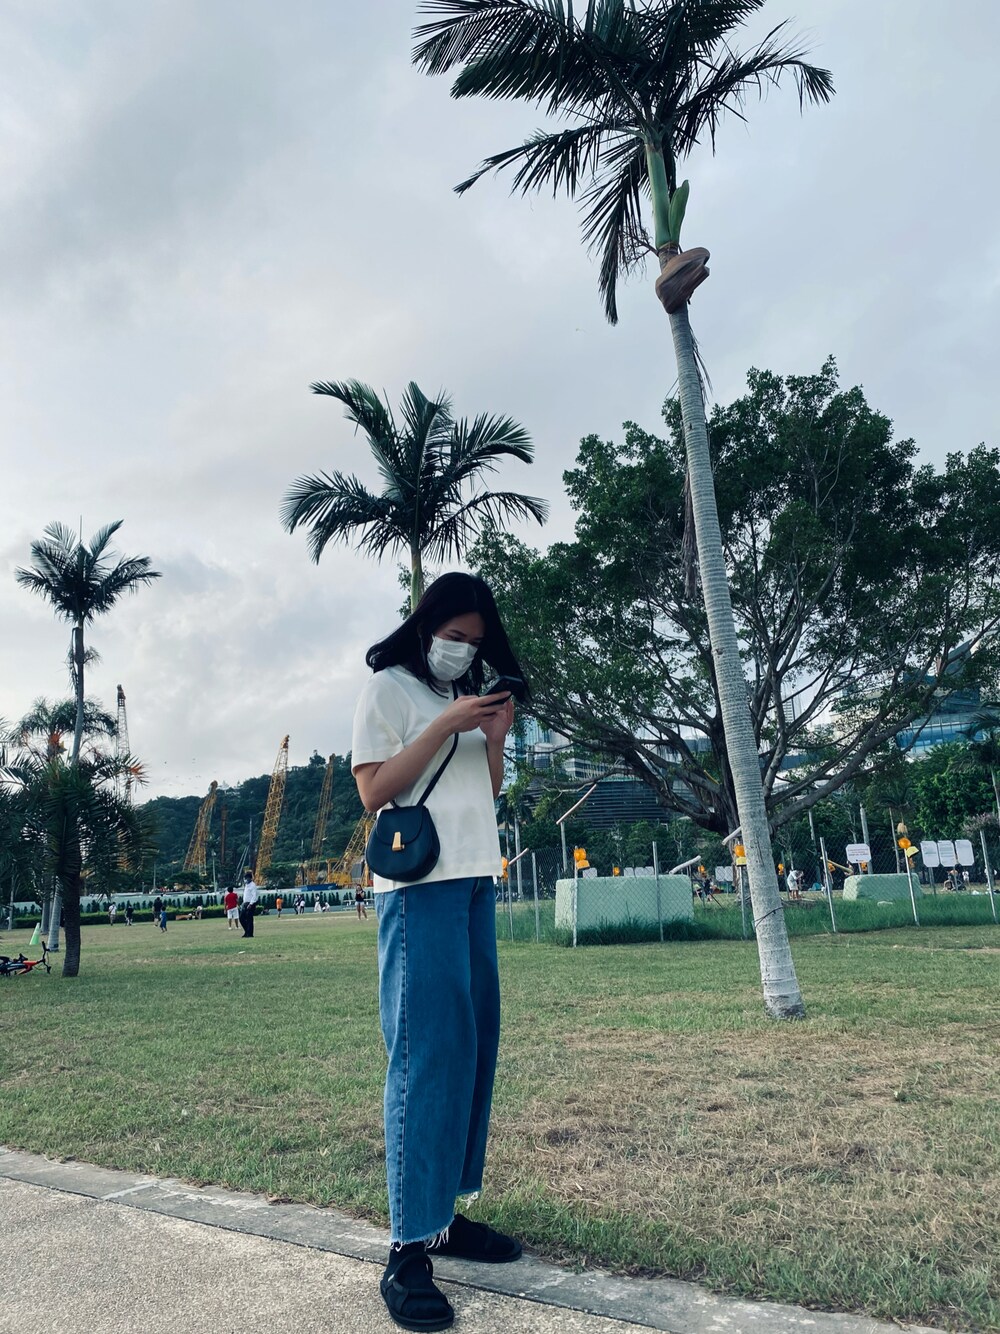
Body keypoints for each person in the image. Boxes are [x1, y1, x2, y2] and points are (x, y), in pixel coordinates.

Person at [352, 572, 525, 1332]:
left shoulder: (469, 696)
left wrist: (493, 738)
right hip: (418, 888)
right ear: (426, 627)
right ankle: (406, 1249)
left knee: (469, 1051)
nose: (464, 650)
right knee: (423, 1059)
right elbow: (374, 791)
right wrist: (445, 724)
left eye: (475, 642)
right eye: (454, 636)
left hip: (475, 881)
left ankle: (443, 1218)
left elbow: (484, 794)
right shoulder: (388, 689)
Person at [239, 871, 259, 938]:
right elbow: (246, 895)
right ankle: (246, 931)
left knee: (249, 919)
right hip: (245, 903)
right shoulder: (246, 885)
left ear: (250, 878)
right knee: (241, 918)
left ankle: (250, 933)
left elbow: (254, 896)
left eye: (246, 878)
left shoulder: (253, 885)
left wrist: (251, 904)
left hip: (250, 904)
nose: (245, 880)